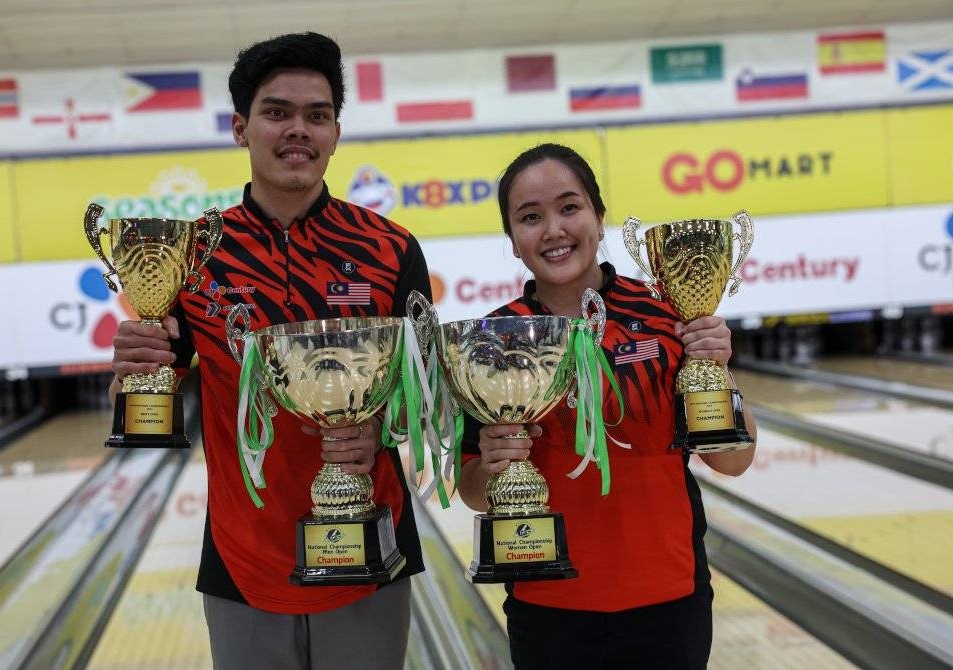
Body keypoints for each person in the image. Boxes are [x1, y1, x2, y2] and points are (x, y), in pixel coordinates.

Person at [108, 32, 430, 670]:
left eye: (317, 116)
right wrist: (133, 373)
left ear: (336, 132)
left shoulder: (392, 248)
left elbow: (428, 401)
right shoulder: (194, 253)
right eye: (277, 112)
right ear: (240, 127)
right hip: (241, 553)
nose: (298, 131)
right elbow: (145, 407)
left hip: (370, 538)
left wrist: (382, 430)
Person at [457, 143, 758, 669]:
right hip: (548, 604)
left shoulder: (668, 317)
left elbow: (732, 460)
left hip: (669, 598)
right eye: (530, 217)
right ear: (512, 240)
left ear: (599, 217)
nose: (553, 230)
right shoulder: (492, 341)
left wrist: (717, 370)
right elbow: (474, 492)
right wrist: (495, 460)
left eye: (569, 208)